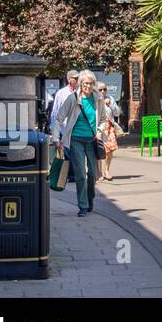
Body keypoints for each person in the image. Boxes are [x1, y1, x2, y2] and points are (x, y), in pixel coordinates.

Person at [53, 69, 107, 216]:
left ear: (94, 84)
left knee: (93, 175)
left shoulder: (98, 98)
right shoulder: (73, 98)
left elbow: (103, 119)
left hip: (92, 141)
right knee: (81, 174)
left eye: (90, 83)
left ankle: (90, 198)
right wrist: (56, 139)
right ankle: (82, 205)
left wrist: (100, 131)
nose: (88, 87)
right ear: (80, 84)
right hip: (76, 139)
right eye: (85, 84)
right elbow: (58, 118)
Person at [98, 83, 125, 181]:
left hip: (109, 128)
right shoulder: (94, 99)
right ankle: (99, 172)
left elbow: (117, 113)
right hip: (98, 128)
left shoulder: (110, 98)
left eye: (104, 89)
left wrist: (110, 104)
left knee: (110, 150)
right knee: (98, 150)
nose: (103, 92)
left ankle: (107, 170)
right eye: (100, 89)